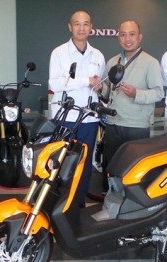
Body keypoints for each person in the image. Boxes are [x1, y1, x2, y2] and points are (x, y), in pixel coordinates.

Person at [48, 11, 105, 208]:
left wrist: (99, 86)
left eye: (86, 24)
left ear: (91, 27)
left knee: (84, 164)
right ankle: (59, 205)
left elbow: (100, 84)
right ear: (70, 27)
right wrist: (85, 81)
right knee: (62, 161)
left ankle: (78, 203)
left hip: (89, 118)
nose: (82, 28)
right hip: (65, 116)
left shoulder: (97, 55)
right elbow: (55, 84)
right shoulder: (59, 53)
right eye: (77, 24)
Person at [101, 20, 164, 191]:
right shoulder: (112, 62)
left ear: (140, 37)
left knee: (135, 170)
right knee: (112, 168)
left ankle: (133, 207)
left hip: (136, 126)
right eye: (123, 34)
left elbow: (159, 93)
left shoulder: (151, 62)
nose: (127, 39)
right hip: (113, 124)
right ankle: (111, 201)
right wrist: (102, 88)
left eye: (132, 34)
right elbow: (107, 93)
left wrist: (137, 93)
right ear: (118, 37)